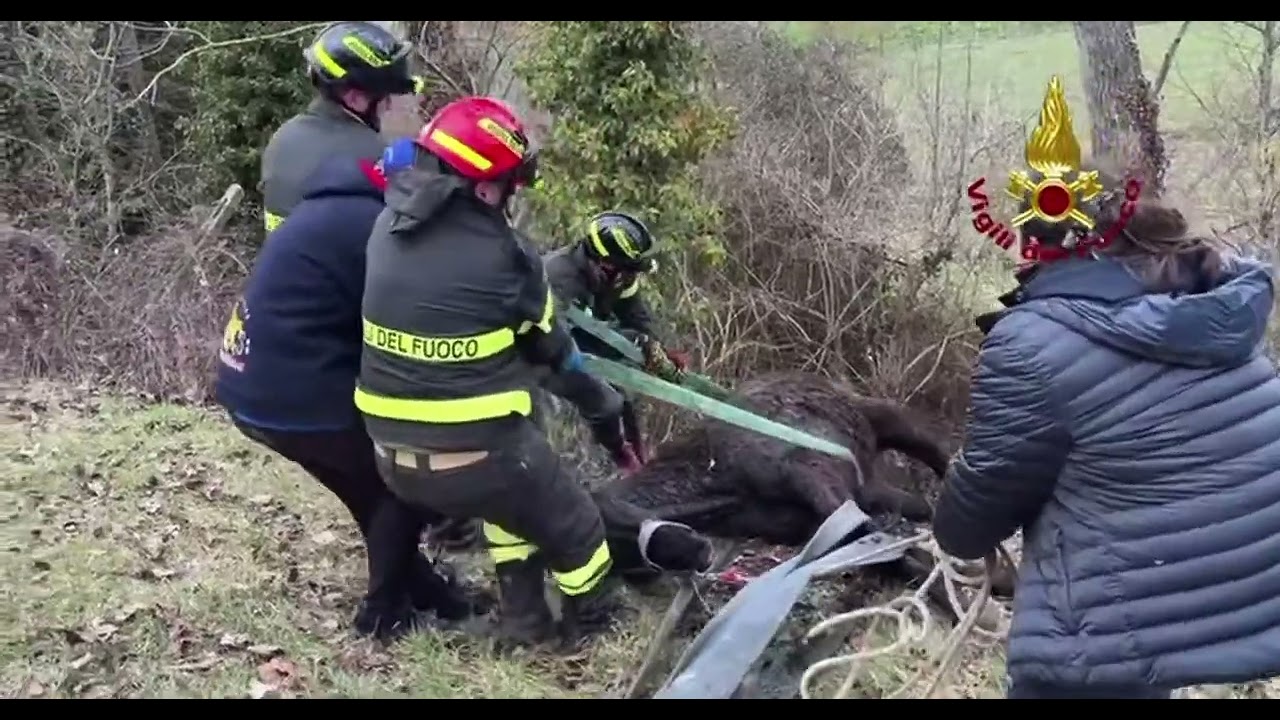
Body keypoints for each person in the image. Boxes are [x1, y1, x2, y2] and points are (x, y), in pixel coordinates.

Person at [931, 164, 1280, 699]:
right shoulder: (1211, 306)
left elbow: (973, 521)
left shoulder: (1032, 341)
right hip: (1230, 611)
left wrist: (960, 488)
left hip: (1105, 640)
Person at [356, 96, 630, 648]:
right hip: (474, 457)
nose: (512, 196)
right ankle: (596, 628)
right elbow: (554, 352)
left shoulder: (385, 224)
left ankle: (526, 622)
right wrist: (605, 405)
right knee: (577, 527)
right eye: (511, 183)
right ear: (484, 185)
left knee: (511, 502)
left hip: (391, 457)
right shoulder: (508, 255)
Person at [215, 144, 481, 642]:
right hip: (290, 390)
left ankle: (426, 592)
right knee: (402, 480)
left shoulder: (330, 205)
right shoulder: (374, 227)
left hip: (244, 377)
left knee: (368, 490)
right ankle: (382, 616)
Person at [542, 211, 690, 464]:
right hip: (544, 357)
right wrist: (627, 342)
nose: (632, 276)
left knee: (625, 406)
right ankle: (595, 464)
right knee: (603, 406)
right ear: (606, 262)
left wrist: (655, 348)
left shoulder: (618, 277)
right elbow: (554, 339)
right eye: (629, 268)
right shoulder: (558, 277)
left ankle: (636, 465)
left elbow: (636, 316)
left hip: (581, 345)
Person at [259, 21, 419, 235]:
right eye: (385, 97)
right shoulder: (373, 157)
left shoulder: (283, 138)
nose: (389, 105)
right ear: (354, 98)